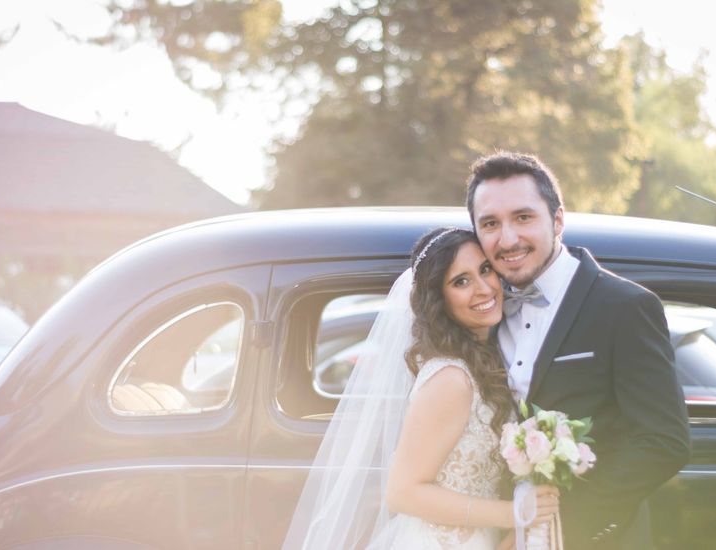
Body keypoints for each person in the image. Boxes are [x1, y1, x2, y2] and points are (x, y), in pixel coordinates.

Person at [466, 151, 692, 549]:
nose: (508, 239)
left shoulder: (624, 306)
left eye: (523, 217)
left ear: (557, 220)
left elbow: (662, 442)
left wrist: (557, 530)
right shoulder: (480, 310)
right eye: (490, 224)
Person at [282, 228, 558, 549]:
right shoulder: (452, 379)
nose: (484, 288)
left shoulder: (488, 362)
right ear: (439, 300)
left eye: (485, 270)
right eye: (461, 281)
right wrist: (513, 514)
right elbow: (403, 492)